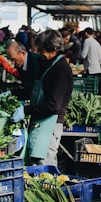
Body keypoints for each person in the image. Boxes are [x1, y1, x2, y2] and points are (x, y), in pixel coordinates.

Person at [19, 29, 73, 166]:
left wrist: (26, 110)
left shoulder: (60, 69)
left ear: (53, 49)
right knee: (35, 163)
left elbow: (53, 105)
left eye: (41, 49)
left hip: (51, 124)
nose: (38, 53)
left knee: (44, 166)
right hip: (41, 122)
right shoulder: (49, 65)